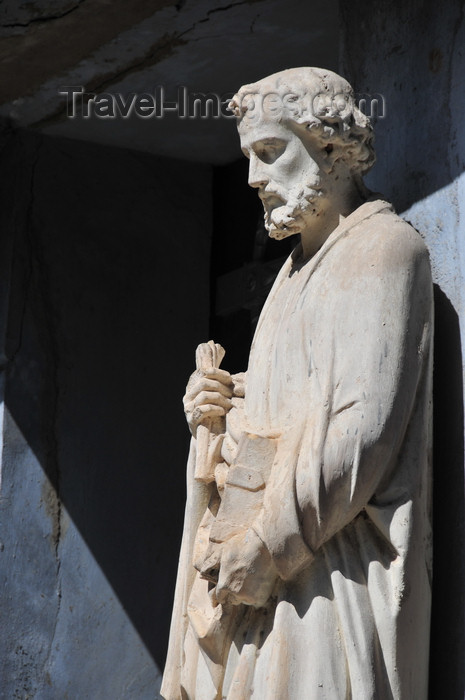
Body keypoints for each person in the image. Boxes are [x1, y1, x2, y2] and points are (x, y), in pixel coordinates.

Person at [161, 67, 433, 700]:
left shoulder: (385, 251)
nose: (254, 178)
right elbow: (283, 405)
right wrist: (217, 408)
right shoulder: (290, 275)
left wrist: (267, 544)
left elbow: (361, 434)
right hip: (267, 580)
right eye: (248, 157)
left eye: (269, 152)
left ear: (331, 148)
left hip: (324, 579)